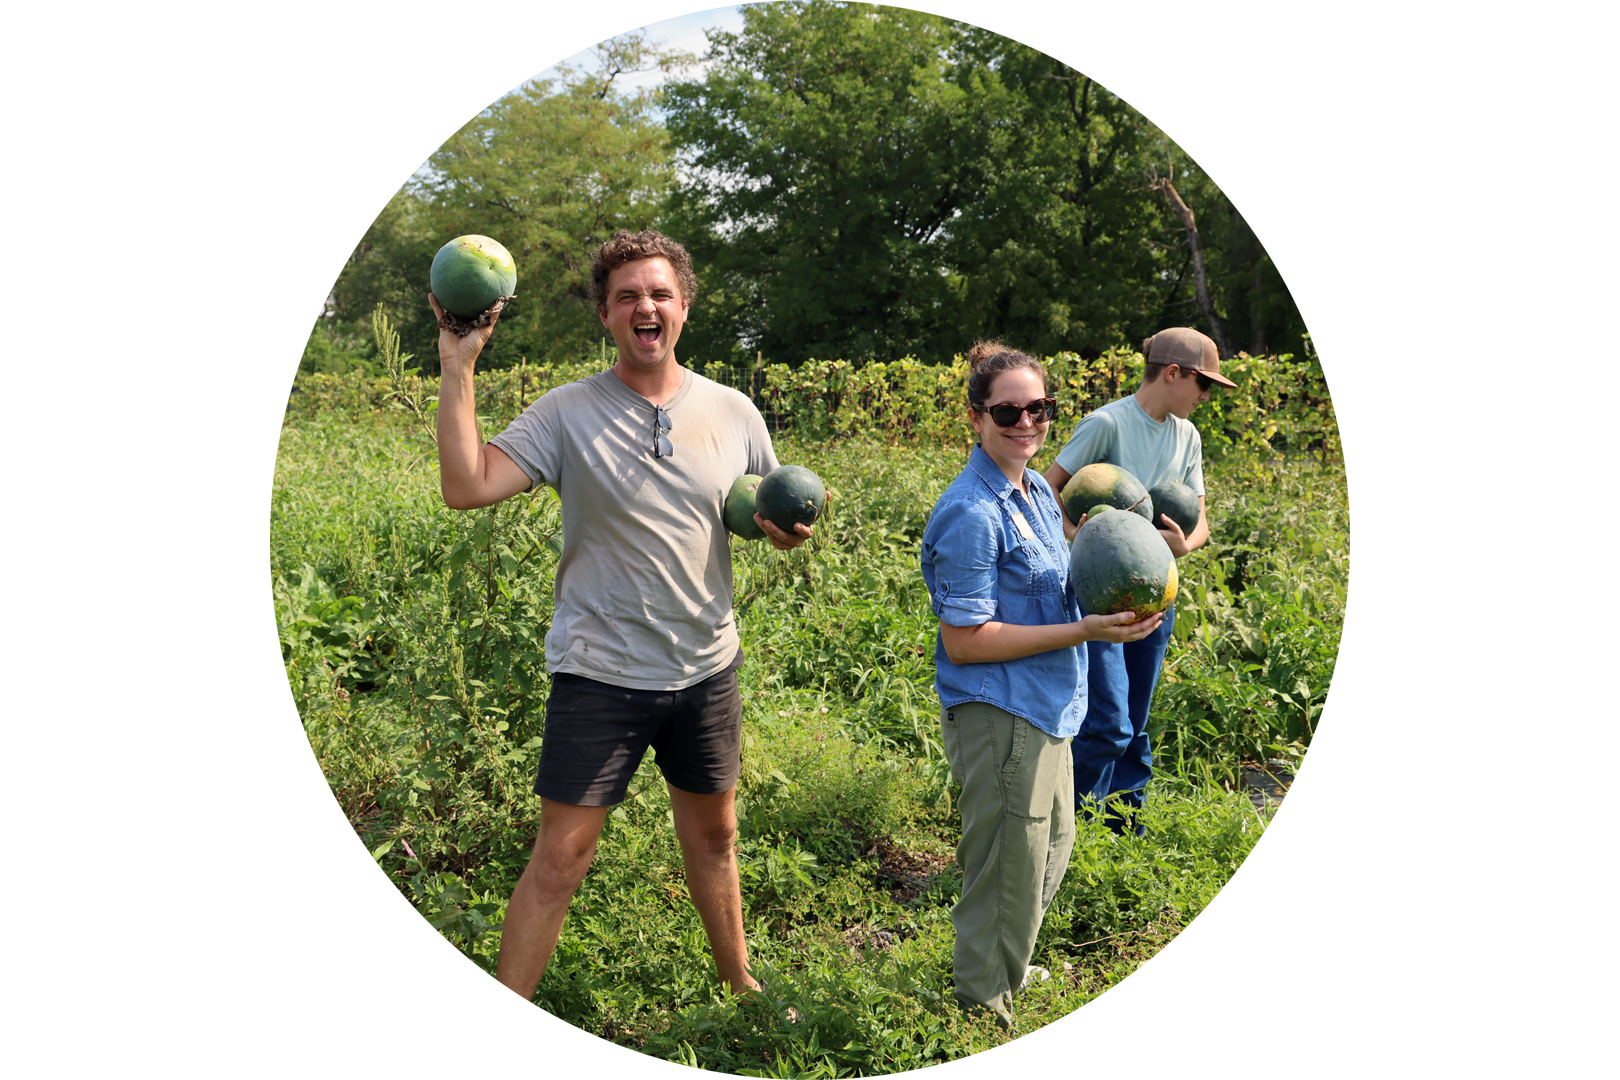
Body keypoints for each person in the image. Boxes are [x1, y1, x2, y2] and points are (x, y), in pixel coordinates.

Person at [428, 229, 814, 1078]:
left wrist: (782, 532)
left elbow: (758, 510)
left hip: (706, 665)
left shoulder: (732, 412)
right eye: (629, 296)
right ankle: (503, 1034)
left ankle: (738, 979)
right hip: (600, 671)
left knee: (714, 835)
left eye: (661, 294)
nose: (647, 307)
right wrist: (460, 366)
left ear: (683, 306)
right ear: (607, 314)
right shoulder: (568, 412)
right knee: (560, 856)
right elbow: (467, 487)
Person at [920, 341, 1163, 1031]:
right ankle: (982, 1009)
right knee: (1007, 868)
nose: (1026, 421)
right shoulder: (972, 511)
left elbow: (1059, 584)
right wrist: (1086, 633)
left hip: (1051, 702)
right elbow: (965, 642)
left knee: (1053, 843)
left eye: (1040, 408)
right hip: (1003, 711)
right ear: (976, 417)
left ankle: (1007, 962)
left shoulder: (1034, 491)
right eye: (1007, 410)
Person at [1043, 327, 1235, 835]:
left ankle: (1124, 832)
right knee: (1108, 722)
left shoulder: (1187, 436)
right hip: (1101, 598)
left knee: (1134, 721)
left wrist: (1182, 546)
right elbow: (1047, 489)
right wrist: (1078, 535)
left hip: (1157, 597)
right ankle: (1071, 831)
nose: (1205, 396)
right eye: (1204, 384)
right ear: (1173, 373)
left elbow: (1200, 522)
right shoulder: (1107, 423)